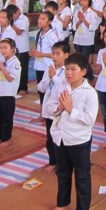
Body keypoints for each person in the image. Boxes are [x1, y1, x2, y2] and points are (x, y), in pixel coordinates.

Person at [44, 53, 98, 210]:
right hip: (60, 137)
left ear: (83, 72)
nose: (68, 73)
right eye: (67, 69)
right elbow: (49, 106)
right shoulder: (61, 86)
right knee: (62, 173)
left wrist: (70, 109)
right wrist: (59, 107)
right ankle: (62, 204)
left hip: (78, 140)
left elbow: (90, 119)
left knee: (82, 176)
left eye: (73, 69)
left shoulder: (89, 93)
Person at [37, 41, 69, 174]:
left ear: (66, 55)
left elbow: (64, 90)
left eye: (58, 54)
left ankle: (63, 162)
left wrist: (54, 77)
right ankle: (53, 161)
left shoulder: (68, 71)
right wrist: (49, 78)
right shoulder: (49, 68)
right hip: (48, 108)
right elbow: (41, 88)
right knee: (50, 137)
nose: (54, 57)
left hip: (60, 109)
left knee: (60, 137)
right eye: (53, 53)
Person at [0, 38, 20, 147]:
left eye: (5, 48)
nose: (3, 50)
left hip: (7, 94)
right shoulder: (1, 59)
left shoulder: (16, 63)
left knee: (6, 117)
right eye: (1, 48)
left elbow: (10, 78)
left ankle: (7, 138)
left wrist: (2, 67)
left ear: (12, 49)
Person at [30, 11, 58, 121]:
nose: (40, 21)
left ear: (49, 22)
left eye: (43, 19)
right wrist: (34, 53)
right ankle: (42, 114)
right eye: (39, 18)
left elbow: (56, 54)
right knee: (41, 90)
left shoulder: (52, 36)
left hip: (48, 67)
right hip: (39, 65)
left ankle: (49, 113)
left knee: (49, 91)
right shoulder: (39, 33)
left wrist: (40, 54)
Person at [8, 5, 30, 94]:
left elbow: (19, 32)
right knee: (13, 67)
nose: (13, 16)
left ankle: (23, 87)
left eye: (13, 14)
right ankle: (15, 86)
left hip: (23, 48)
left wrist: (12, 24)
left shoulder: (24, 19)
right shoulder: (11, 19)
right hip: (13, 48)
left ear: (17, 11)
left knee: (23, 69)